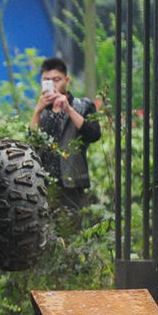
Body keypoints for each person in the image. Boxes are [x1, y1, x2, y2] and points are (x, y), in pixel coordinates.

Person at [29, 57, 101, 210]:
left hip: (72, 182)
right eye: (47, 80)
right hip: (44, 182)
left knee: (71, 229)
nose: (53, 84)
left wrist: (68, 109)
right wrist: (37, 111)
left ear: (67, 80)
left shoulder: (83, 106)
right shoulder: (41, 111)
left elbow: (94, 134)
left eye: (57, 80)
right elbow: (31, 144)